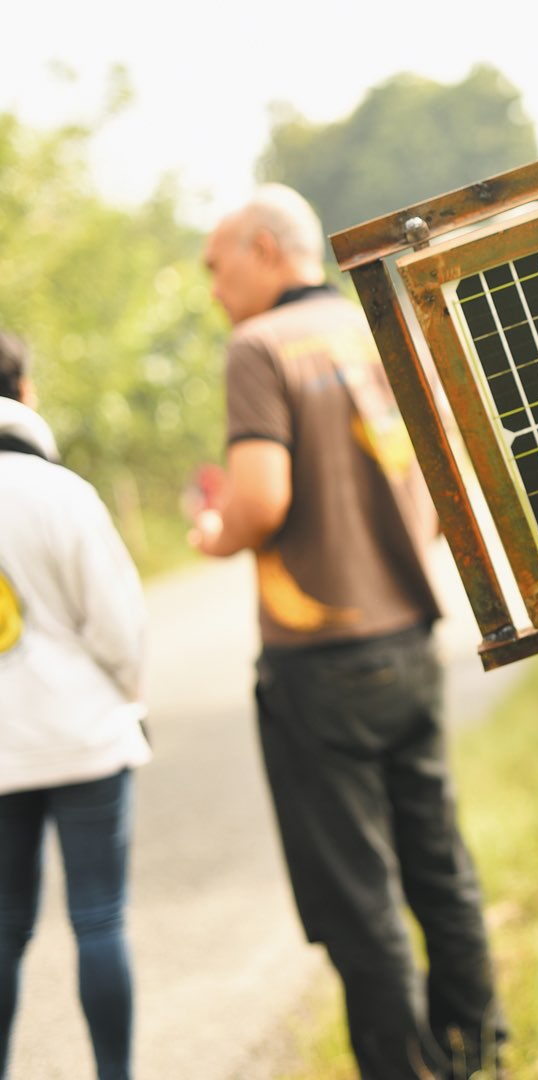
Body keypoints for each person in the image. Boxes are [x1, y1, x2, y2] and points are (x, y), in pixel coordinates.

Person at [189, 185, 503, 1079]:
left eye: (216, 266)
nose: (213, 288)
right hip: (410, 636)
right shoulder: (374, 328)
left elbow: (259, 500)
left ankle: (401, 1069)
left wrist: (213, 534)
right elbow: (444, 476)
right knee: (437, 861)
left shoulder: (256, 349)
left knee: (358, 889)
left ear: (261, 248)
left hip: (319, 660)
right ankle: (479, 1051)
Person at [0, 330, 151, 1080]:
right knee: (98, 918)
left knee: (1, 931)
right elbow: (120, 628)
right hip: (84, 735)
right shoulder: (61, 492)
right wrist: (130, 696)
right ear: (24, 391)